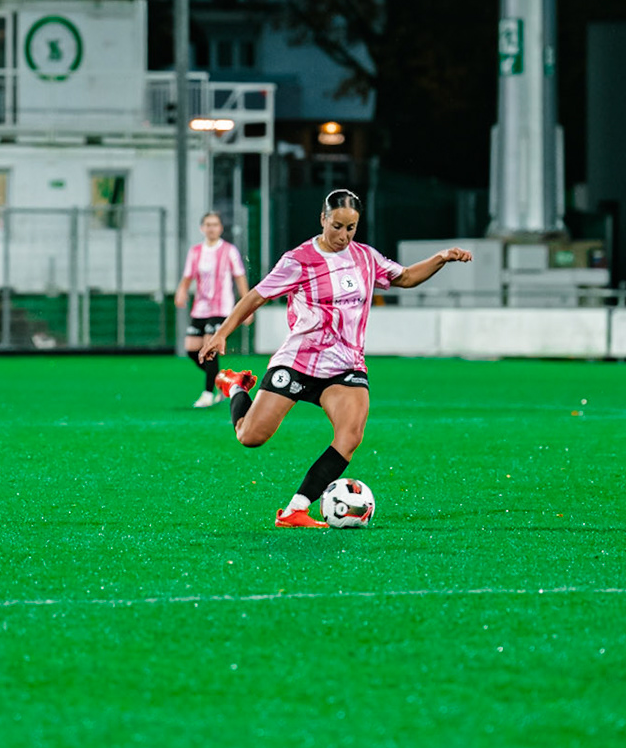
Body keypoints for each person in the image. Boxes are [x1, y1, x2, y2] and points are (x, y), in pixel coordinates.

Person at [199, 189, 471, 527]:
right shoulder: (299, 260)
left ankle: (296, 509)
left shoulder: (366, 257)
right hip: (299, 362)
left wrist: (441, 258)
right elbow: (256, 296)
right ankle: (236, 387)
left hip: (346, 367)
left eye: (351, 228)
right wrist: (222, 333)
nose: (344, 235)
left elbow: (405, 277)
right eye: (337, 226)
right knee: (250, 437)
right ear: (323, 219)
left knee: (350, 435)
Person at [174, 212, 249, 407]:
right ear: (202, 228)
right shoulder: (195, 251)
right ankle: (223, 381)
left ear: (221, 228)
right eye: (208, 225)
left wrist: (247, 306)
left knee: (210, 348)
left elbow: (240, 277)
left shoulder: (229, 250)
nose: (211, 228)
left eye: (215, 224)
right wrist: (181, 291)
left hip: (221, 308)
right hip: (200, 308)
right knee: (192, 349)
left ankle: (208, 394)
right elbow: (188, 276)